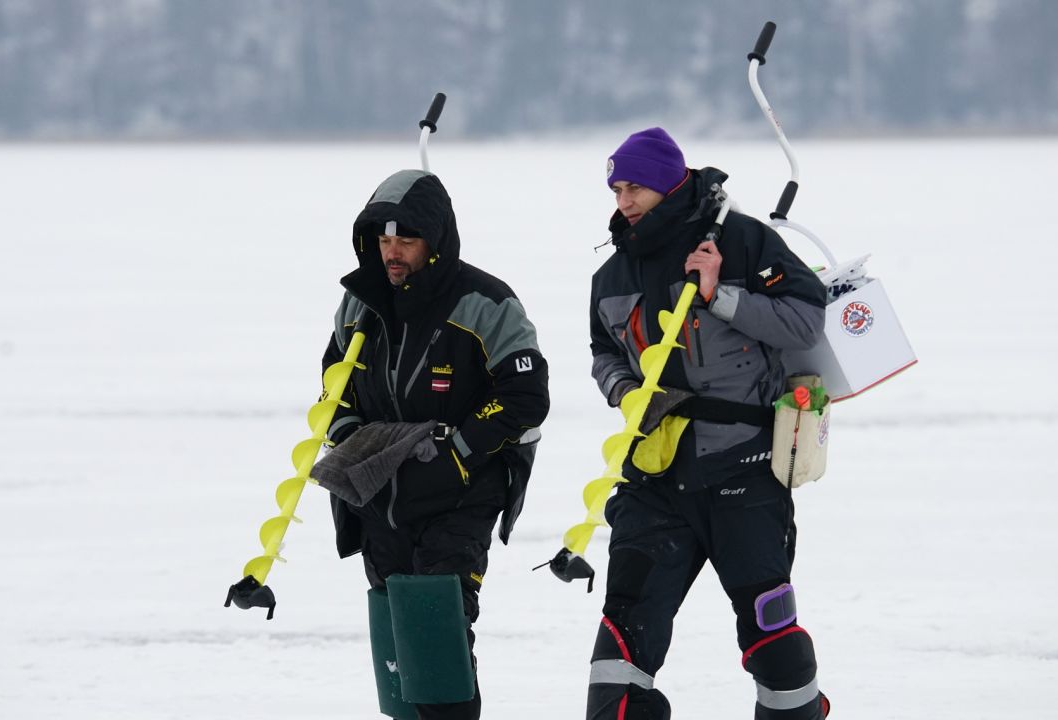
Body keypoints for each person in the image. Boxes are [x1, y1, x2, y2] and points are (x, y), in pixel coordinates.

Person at [585, 128, 832, 719]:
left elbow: (806, 323)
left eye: (636, 186)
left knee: (774, 645)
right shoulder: (612, 275)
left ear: (670, 183)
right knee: (617, 662)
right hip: (655, 481)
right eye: (617, 187)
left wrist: (720, 295)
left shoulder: (744, 242)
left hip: (743, 473)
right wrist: (625, 392)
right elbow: (603, 354)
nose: (624, 200)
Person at [320, 168, 549, 719]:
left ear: (436, 242)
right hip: (379, 494)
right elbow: (334, 384)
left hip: (459, 495)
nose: (392, 251)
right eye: (383, 238)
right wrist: (350, 438)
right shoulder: (359, 304)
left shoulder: (486, 303)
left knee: (437, 638)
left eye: (406, 239)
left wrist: (458, 454)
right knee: (399, 657)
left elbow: (524, 394)